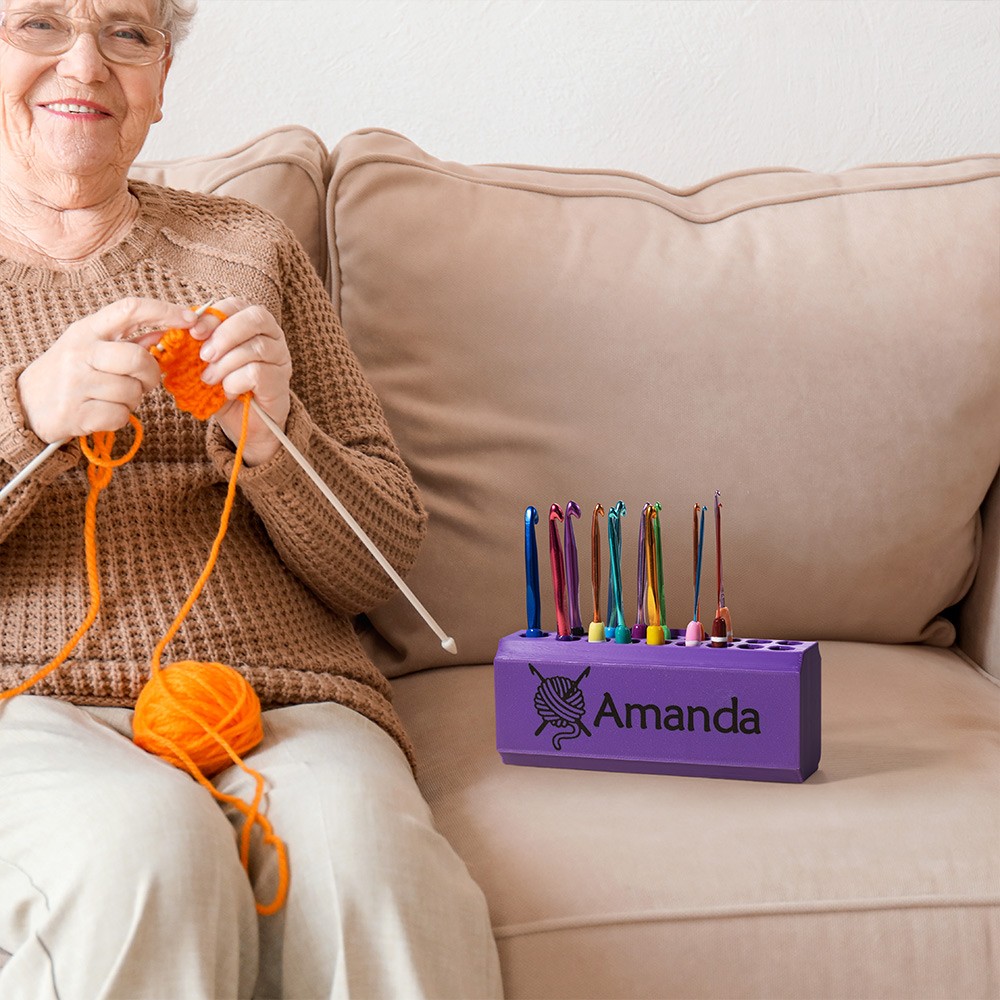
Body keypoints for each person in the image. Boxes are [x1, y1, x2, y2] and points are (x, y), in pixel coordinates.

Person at [0, 1, 504, 997]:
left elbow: (380, 556)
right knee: (146, 847)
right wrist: (26, 419)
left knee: (369, 864)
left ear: (162, 80)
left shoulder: (246, 248)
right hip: (24, 705)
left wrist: (277, 443)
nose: (87, 63)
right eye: (40, 23)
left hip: (283, 699)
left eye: (129, 31)